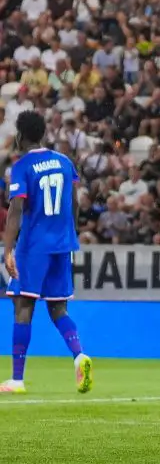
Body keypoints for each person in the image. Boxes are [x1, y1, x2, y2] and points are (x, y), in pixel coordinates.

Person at [1, 111, 92, 394]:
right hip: (62, 244)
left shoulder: (23, 166)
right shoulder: (65, 162)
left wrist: (7, 249)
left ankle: (17, 379)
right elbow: (75, 202)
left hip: (34, 246)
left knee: (23, 306)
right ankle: (80, 355)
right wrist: (70, 232)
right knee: (58, 307)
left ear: (20, 135)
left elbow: (16, 210)